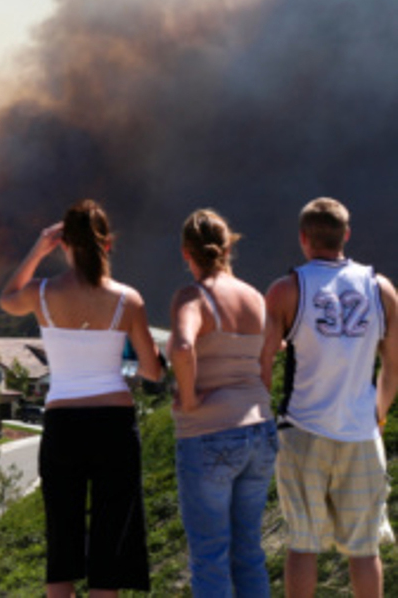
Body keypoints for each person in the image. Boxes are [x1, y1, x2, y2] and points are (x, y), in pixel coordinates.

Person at [0, 199, 163, 597]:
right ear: (108, 244)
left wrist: (37, 250)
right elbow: (152, 371)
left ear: (64, 245)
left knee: (63, 545)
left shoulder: (41, 294)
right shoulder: (129, 300)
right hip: (115, 427)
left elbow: (7, 298)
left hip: (63, 427)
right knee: (109, 550)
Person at [261, 197, 398, 598]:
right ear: (347, 235)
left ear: (304, 239)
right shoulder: (381, 288)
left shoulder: (286, 290)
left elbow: (263, 363)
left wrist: (262, 419)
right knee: (364, 548)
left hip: (303, 430)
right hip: (360, 432)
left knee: (303, 545)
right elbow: (394, 363)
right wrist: (379, 413)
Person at [168, 209, 276, 597]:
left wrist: (192, 398)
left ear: (186, 253)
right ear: (229, 246)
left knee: (210, 556)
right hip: (260, 430)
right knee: (249, 551)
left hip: (208, 435)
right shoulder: (256, 299)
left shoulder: (192, 297)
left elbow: (182, 347)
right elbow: (269, 358)